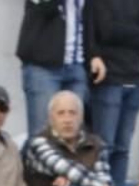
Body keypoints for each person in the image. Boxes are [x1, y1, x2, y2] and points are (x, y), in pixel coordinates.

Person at [86, 0, 139, 186]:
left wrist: (119, 31)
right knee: (103, 146)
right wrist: (135, 31)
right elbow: (105, 31)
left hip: (136, 80)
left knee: (123, 148)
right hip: (108, 80)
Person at [16, 0, 90, 135]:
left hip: (77, 64)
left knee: (74, 133)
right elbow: (45, 8)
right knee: (42, 132)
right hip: (43, 67)